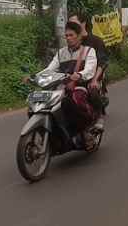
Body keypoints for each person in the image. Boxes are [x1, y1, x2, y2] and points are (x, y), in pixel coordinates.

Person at [43, 21, 99, 149]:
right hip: (61, 88)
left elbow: (90, 69)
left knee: (70, 102)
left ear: (79, 36)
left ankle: (84, 132)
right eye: (66, 36)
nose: (68, 38)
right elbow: (49, 69)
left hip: (80, 87)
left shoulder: (88, 51)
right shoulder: (61, 53)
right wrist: (35, 76)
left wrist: (79, 75)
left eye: (71, 35)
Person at [68, 13, 109, 126]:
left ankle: (98, 118)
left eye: (74, 23)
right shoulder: (71, 41)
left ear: (83, 23)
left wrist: (95, 79)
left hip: (92, 76)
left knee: (92, 90)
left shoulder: (96, 41)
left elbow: (102, 62)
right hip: (74, 76)